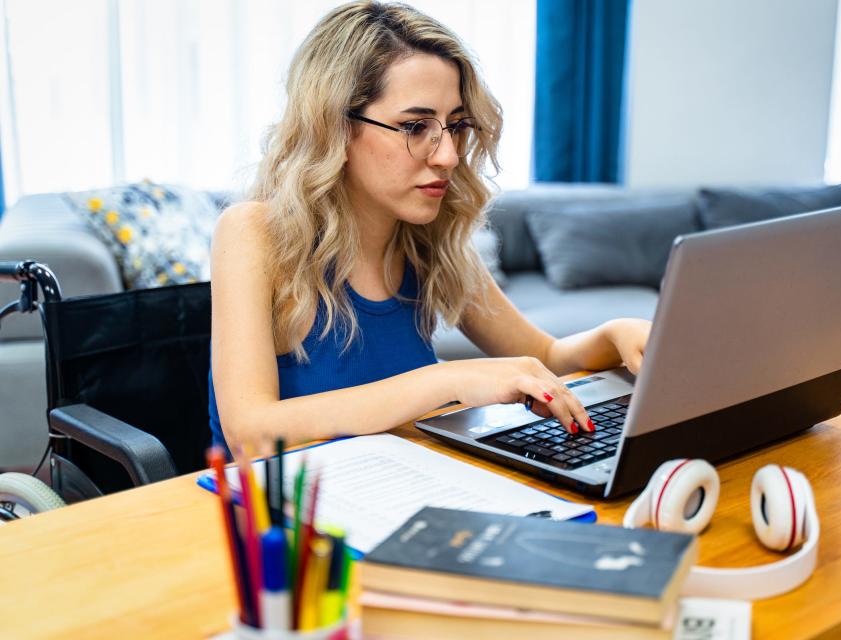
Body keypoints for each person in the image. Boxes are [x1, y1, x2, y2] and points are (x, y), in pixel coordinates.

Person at [209, 0, 651, 455]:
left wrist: (615, 334)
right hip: (280, 519)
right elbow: (250, 432)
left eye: (455, 125)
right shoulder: (254, 232)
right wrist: (449, 378)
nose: (448, 156)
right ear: (335, 127)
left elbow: (548, 358)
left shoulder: (427, 238)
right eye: (416, 126)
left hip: (395, 492)